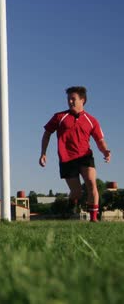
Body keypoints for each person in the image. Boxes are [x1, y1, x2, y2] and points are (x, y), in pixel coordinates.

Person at [39, 86, 111, 222]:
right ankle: (71, 205)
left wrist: (105, 151)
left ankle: (93, 219)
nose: (70, 101)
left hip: (85, 156)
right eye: (68, 99)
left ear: (82, 100)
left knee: (91, 184)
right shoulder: (60, 117)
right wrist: (43, 153)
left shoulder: (92, 120)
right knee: (77, 191)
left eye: (73, 99)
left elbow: (100, 140)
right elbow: (47, 134)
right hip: (67, 159)